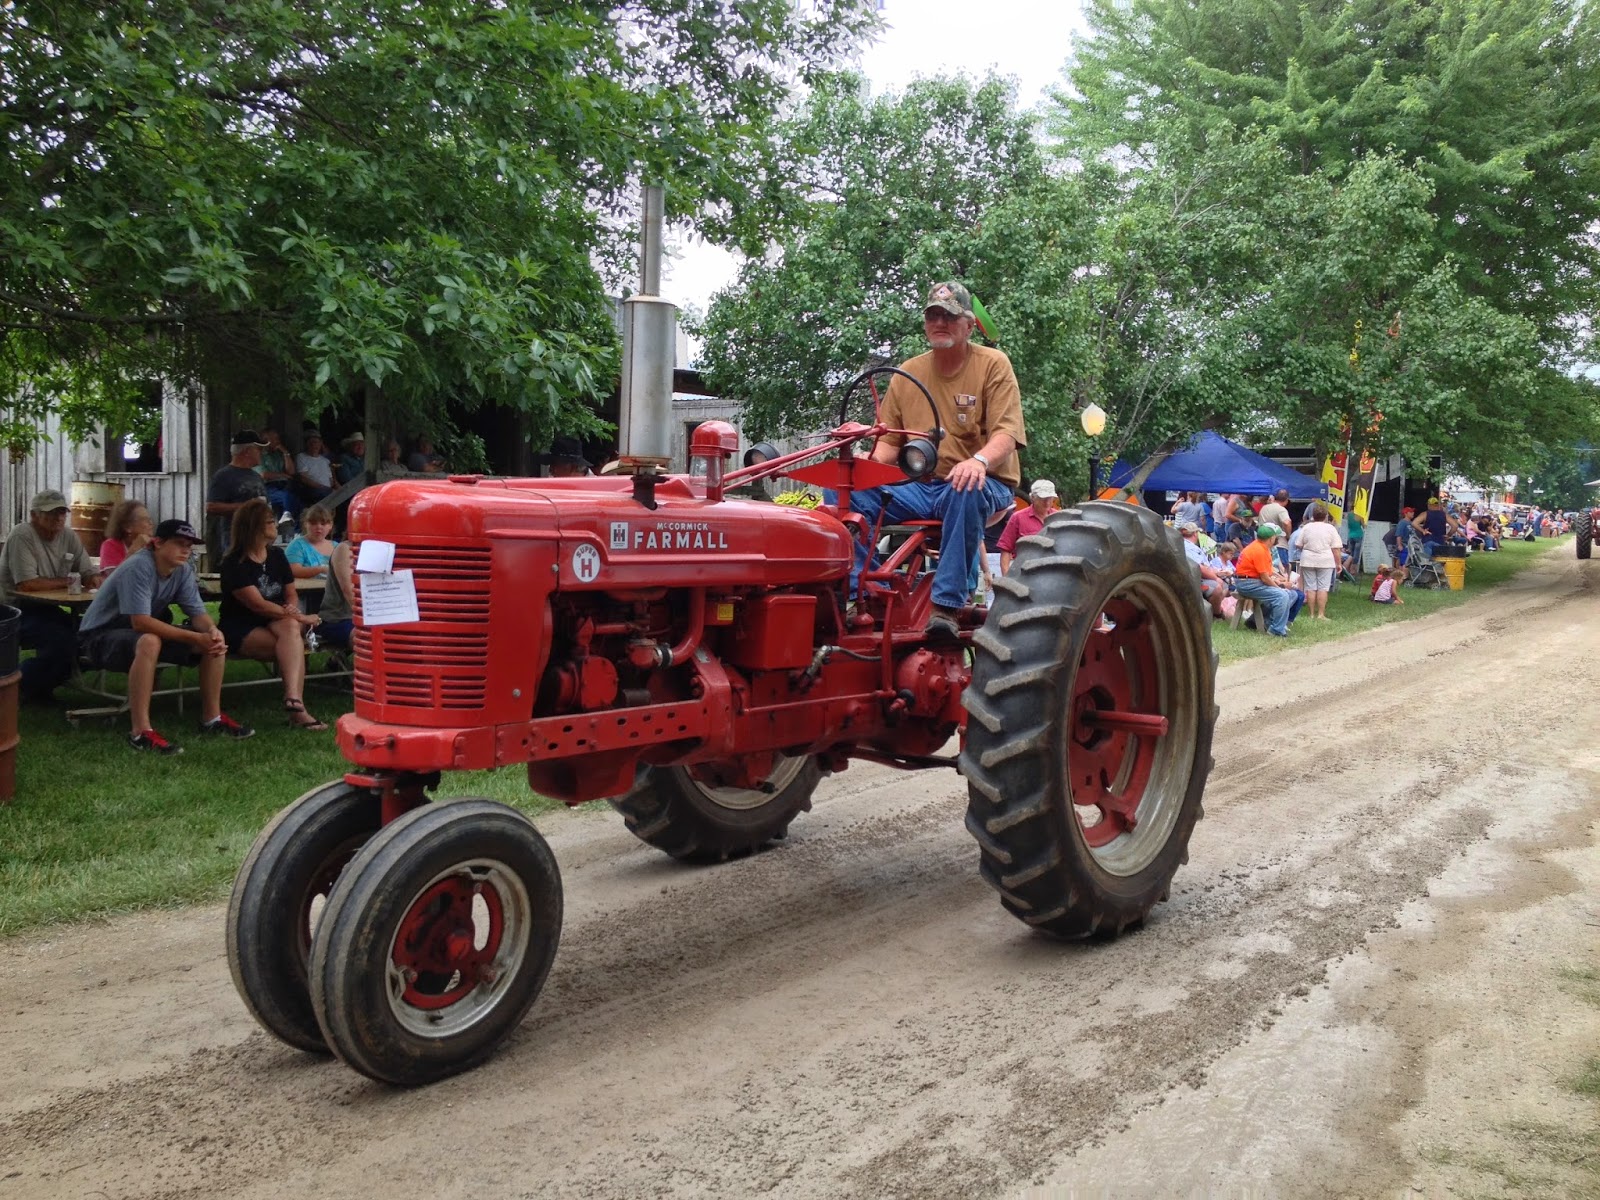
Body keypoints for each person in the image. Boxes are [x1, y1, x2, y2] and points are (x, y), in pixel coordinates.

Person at [845, 281, 1025, 640]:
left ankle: (946, 606)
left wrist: (977, 461)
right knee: (846, 490)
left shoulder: (993, 364)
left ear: (969, 325)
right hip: (922, 487)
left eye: (949, 316)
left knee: (966, 485)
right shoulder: (907, 372)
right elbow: (890, 447)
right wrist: (865, 460)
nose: (940, 322)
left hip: (984, 482)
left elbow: (1007, 435)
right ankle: (868, 593)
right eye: (933, 316)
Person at [78, 519, 253, 753]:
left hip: (137, 634)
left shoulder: (182, 570)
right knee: (150, 640)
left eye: (189, 546)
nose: (185, 550)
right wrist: (194, 638)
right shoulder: (139, 566)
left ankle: (212, 718)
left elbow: (198, 613)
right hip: (98, 635)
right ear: (157, 543)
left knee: (211, 641)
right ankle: (140, 732)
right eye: (179, 543)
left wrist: (211, 630)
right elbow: (140, 622)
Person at [219, 498, 328, 731]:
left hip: (278, 619)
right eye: (270, 521)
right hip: (242, 623)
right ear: (254, 527)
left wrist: (292, 611)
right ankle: (298, 711)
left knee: (289, 632)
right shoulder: (234, 563)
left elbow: (290, 593)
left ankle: (293, 700)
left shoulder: (277, 556)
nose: (275, 526)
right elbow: (258, 605)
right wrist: (300, 617)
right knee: (293, 647)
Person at [0, 489, 102, 701]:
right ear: (34, 515)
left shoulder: (69, 536)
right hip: (14, 611)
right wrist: (70, 581)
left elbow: (87, 571)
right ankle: (21, 686)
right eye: (51, 512)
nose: (58, 517)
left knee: (89, 634)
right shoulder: (22, 535)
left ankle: (41, 684)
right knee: (62, 641)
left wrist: (94, 579)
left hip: (47, 608)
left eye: (62, 512)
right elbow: (27, 584)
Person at [1232, 523, 1303, 637]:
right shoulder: (1259, 550)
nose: (1277, 539)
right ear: (1271, 538)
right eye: (1276, 537)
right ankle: (1276, 630)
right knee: (1282, 595)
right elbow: (1265, 578)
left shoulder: (1260, 546)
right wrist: (1279, 588)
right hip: (1248, 583)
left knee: (1290, 594)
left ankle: (1267, 622)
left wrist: (1279, 582)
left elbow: (1266, 573)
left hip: (1249, 581)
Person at [206, 430, 269, 555]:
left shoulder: (256, 476)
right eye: (259, 449)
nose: (262, 453)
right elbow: (211, 507)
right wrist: (247, 507)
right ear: (247, 451)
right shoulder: (223, 476)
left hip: (258, 536)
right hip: (234, 538)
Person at [996, 479, 1057, 574]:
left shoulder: (1058, 518)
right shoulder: (1018, 517)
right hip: (1025, 573)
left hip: (1052, 573)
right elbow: (1005, 549)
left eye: (1050, 498)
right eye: (1043, 499)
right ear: (1032, 497)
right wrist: (1006, 577)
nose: (1047, 502)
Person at [1296, 503, 1343, 620]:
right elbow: (1336, 548)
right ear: (1326, 516)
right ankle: (1321, 614)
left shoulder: (1306, 527)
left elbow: (1298, 544)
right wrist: (1339, 563)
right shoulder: (1330, 528)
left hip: (1308, 559)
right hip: (1325, 559)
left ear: (1313, 515)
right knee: (1323, 587)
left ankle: (1311, 614)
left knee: (1310, 587)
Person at [1178, 522, 1229, 617]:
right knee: (1218, 587)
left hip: (1198, 577)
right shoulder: (1188, 547)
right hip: (1195, 579)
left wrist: (1217, 572)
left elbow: (1204, 567)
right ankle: (1216, 614)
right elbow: (1199, 568)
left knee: (1225, 585)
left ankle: (1213, 610)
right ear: (1195, 534)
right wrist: (1215, 578)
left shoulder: (1184, 544)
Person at [315, 540, 355, 650]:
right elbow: (350, 593)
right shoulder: (346, 549)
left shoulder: (385, 549)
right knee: (368, 637)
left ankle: (335, 662)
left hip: (374, 619)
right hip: (338, 620)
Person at [257, 428, 302, 522]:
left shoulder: (278, 454)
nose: (278, 441)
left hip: (285, 484)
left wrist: (285, 453)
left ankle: (286, 517)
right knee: (291, 499)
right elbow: (264, 474)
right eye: (275, 439)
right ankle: (293, 526)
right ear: (266, 441)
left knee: (292, 495)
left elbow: (291, 472)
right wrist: (283, 475)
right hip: (268, 486)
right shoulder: (259, 455)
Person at [98, 500, 154, 573]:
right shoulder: (110, 545)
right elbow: (115, 579)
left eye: (149, 519)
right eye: (145, 519)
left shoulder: (154, 545)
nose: (151, 523)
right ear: (128, 527)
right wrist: (135, 549)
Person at [284, 503, 337, 580]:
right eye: (313, 523)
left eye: (323, 523)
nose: (319, 527)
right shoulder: (297, 545)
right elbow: (292, 570)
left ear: (330, 525)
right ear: (306, 524)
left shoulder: (337, 547)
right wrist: (321, 569)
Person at [294, 430, 335, 502]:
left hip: (327, 490)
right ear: (307, 444)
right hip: (312, 490)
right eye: (311, 442)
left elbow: (331, 480)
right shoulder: (301, 457)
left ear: (320, 444)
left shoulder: (325, 460)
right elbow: (304, 478)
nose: (314, 445)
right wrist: (323, 488)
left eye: (316, 442)